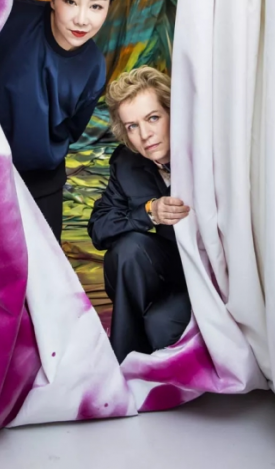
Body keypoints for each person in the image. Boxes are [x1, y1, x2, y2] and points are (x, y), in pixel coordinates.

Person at [0, 0, 116, 243]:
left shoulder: (94, 66)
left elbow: (72, 130)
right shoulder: (10, 19)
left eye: (96, 7)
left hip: (42, 180)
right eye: (71, 1)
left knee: (44, 263)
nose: (82, 19)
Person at [88, 66, 192, 363]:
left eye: (153, 118)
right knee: (127, 250)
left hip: (216, 276)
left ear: (173, 113)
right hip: (169, 270)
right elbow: (99, 228)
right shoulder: (127, 163)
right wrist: (150, 212)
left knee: (161, 327)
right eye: (132, 126)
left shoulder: (206, 150)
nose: (145, 135)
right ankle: (124, 358)